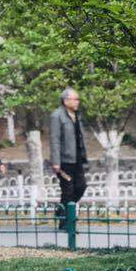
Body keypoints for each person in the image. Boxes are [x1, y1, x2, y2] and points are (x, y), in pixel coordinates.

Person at [49, 87, 87, 218]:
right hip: (64, 162)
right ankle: (65, 221)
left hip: (77, 159)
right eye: (75, 99)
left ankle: (61, 211)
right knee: (68, 190)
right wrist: (55, 162)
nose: (78, 101)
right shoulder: (56, 116)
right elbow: (55, 140)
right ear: (66, 101)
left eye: (78, 99)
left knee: (81, 186)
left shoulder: (77, 115)